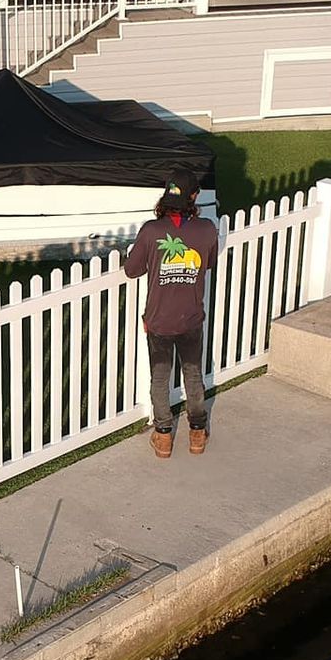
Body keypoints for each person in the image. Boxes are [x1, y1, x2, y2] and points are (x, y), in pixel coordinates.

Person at [124, 168, 218, 459]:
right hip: (191, 318)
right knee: (193, 376)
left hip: (159, 321)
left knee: (160, 379)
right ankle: (197, 434)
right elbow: (209, 263)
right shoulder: (206, 229)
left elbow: (131, 270)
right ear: (194, 197)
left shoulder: (152, 231)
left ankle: (163, 436)